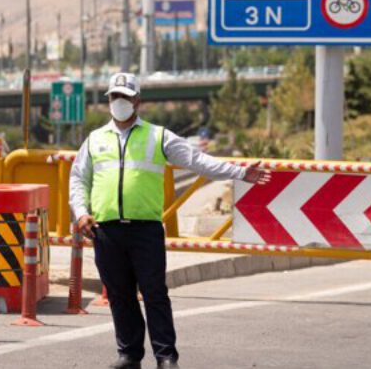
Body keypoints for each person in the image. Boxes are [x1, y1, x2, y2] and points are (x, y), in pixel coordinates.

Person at [69, 73, 272, 369]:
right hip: (107, 230)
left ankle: (166, 356)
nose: (120, 102)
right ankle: (129, 355)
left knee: (154, 293)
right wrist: (80, 212)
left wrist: (239, 172)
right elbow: (78, 179)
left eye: (125, 97)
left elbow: (198, 161)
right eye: (115, 97)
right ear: (108, 101)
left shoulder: (158, 136)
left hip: (145, 231)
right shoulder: (95, 140)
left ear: (138, 101)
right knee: (120, 295)